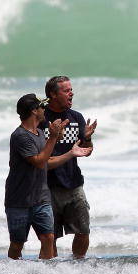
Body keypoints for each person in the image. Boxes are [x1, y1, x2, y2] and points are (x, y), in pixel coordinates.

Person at [5, 94, 91, 260]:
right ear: (34, 111)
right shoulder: (20, 136)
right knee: (17, 243)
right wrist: (53, 137)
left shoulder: (38, 133)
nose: (45, 110)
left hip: (41, 198)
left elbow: (47, 161)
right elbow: (39, 162)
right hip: (19, 200)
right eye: (42, 107)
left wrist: (71, 153)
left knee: (48, 238)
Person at [41, 76, 97, 258]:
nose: (71, 93)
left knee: (83, 231)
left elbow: (86, 151)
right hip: (47, 186)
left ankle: (77, 267)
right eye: (66, 90)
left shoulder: (76, 118)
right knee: (50, 237)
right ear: (53, 95)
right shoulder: (41, 118)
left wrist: (87, 137)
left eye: (71, 89)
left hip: (74, 184)